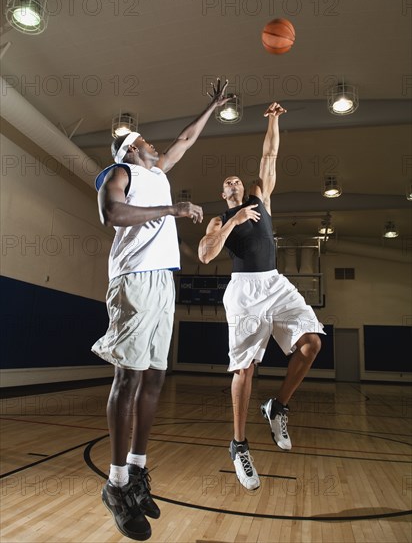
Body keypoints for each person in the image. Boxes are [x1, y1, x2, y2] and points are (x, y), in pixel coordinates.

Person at [92, 78, 230, 540]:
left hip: (163, 281)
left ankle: (137, 471)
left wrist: (210, 106)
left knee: (154, 376)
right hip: (133, 281)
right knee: (127, 376)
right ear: (130, 150)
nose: (156, 146)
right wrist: (171, 211)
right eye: (146, 143)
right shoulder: (121, 175)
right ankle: (114, 485)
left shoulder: (158, 171)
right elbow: (112, 215)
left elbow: (186, 139)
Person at [198, 102, 325, 491]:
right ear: (223, 193)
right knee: (244, 369)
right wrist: (234, 220)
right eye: (229, 183)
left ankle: (277, 406)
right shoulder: (220, 219)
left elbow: (270, 155)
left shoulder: (261, 198)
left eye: (238, 180)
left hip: (274, 283)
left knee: (311, 343)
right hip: (243, 292)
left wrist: (273, 120)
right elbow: (205, 254)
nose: (235, 184)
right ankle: (238, 445)